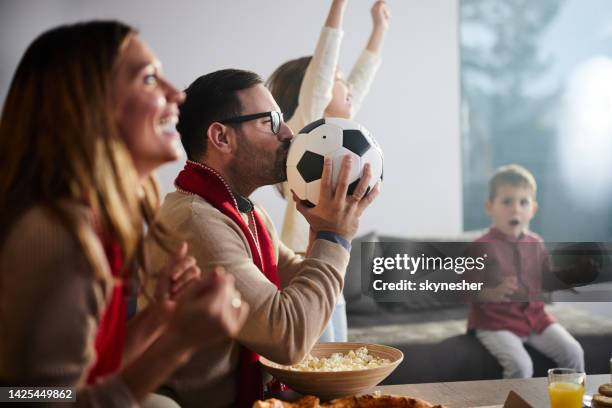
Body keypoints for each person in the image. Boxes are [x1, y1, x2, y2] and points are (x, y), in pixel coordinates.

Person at [0, 21, 248, 407]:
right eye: (149, 79)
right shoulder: (59, 235)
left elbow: (84, 372)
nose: (176, 94)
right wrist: (177, 342)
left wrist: (160, 317)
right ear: (88, 107)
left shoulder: (98, 217)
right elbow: (33, 398)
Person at [142, 68, 380, 407]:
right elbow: (288, 336)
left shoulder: (244, 213)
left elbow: (304, 286)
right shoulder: (196, 222)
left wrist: (324, 227)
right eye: (270, 120)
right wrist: (334, 236)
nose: (288, 132)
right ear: (222, 138)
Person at [267, 0, 390, 342]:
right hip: (306, 266)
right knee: (319, 371)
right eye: (338, 78)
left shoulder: (337, 137)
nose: (347, 86)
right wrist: (339, 6)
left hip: (332, 264)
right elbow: (322, 69)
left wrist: (379, 29)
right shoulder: (306, 127)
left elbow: (359, 82)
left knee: (339, 365)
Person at [466, 164, 584, 378]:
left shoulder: (536, 242)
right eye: (507, 201)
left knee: (574, 352)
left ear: (533, 210)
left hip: (536, 319)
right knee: (521, 366)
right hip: (495, 323)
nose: (516, 209)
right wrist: (491, 293)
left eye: (523, 202)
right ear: (489, 207)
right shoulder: (481, 246)